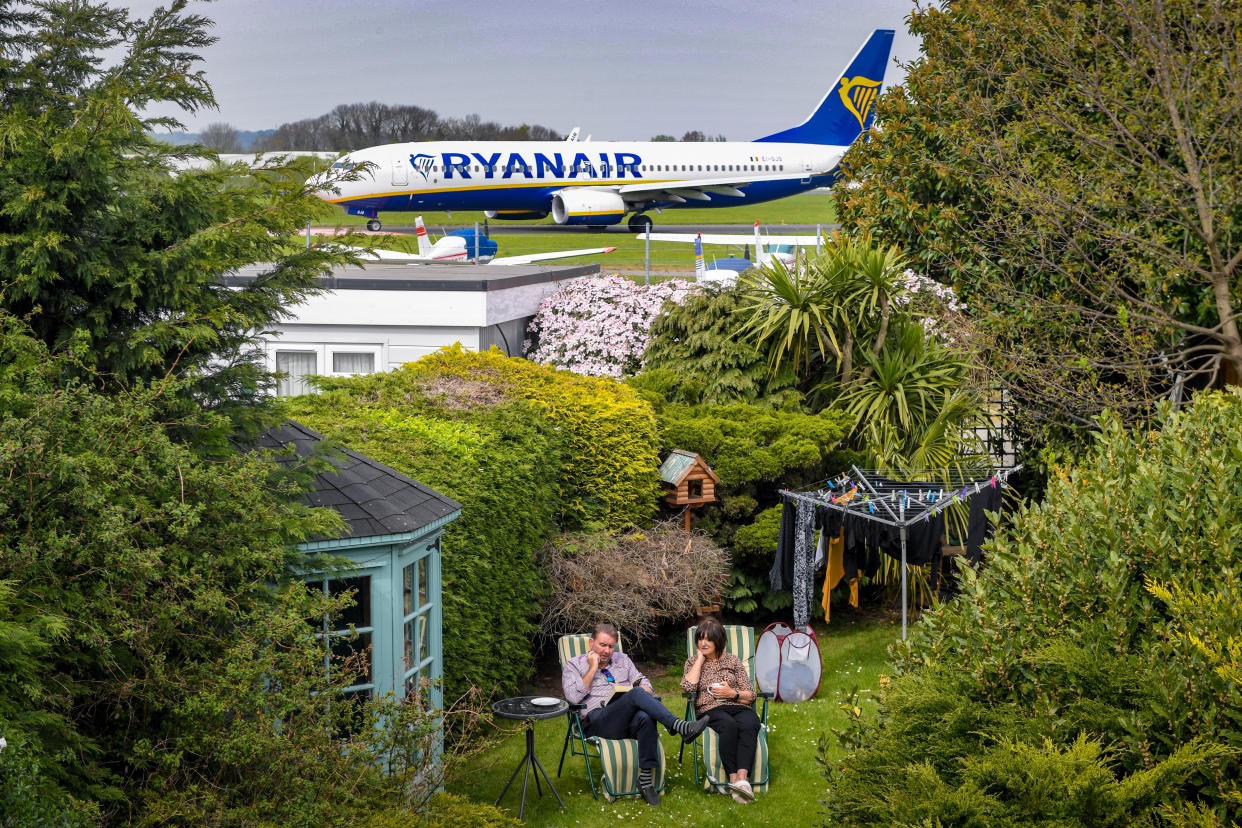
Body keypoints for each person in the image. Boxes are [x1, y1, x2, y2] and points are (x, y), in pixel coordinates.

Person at [562, 622, 709, 806]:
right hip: (595, 722)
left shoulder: (622, 659)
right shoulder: (573, 665)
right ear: (591, 643)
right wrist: (592, 668)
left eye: (610, 646)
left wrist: (646, 686)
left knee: (644, 716)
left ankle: (645, 780)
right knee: (636, 694)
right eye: (602, 645)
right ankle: (679, 726)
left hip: (624, 720)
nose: (607, 651)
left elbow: (641, 679)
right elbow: (573, 698)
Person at [680, 617, 762, 803]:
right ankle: (733, 778)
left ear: (719, 641)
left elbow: (751, 694)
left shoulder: (732, 661)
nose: (703, 643)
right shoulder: (692, 662)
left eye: (708, 639)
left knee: (750, 722)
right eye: (700, 638)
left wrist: (732, 693)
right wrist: (700, 660)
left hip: (737, 705)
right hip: (710, 708)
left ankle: (743, 780)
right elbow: (687, 687)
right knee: (728, 725)